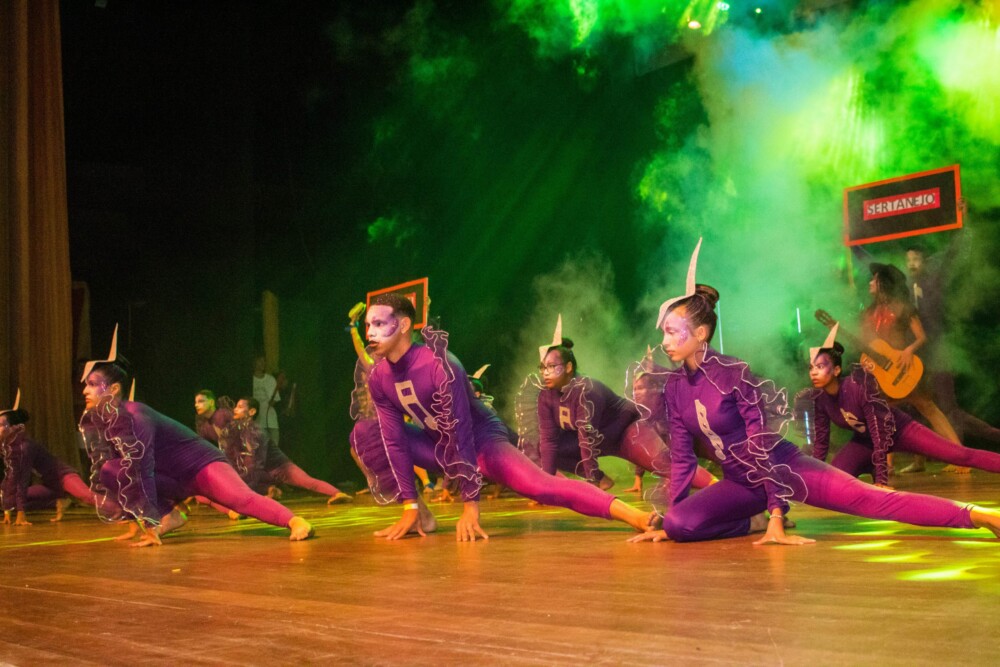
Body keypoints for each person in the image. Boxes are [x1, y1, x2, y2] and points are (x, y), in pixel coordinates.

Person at [630, 242, 1000, 545]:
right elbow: (683, 459)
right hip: (739, 485)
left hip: (785, 469)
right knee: (678, 524)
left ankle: (978, 515)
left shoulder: (733, 374)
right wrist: (671, 515)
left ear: (700, 334)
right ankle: (752, 521)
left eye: (673, 331)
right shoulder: (675, 387)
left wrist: (778, 515)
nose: (665, 341)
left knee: (870, 500)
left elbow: (761, 447)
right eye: (664, 332)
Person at [353, 293, 655, 541]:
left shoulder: (439, 365)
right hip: (439, 448)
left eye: (379, 323)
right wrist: (409, 504)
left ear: (404, 325)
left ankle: (636, 516)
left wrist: (471, 505)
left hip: (482, 442)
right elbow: (394, 440)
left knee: (541, 486)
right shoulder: (379, 377)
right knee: (366, 433)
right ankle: (420, 515)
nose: (370, 333)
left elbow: (461, 430)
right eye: (368, 325)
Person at [79, 332, 313, 546]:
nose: (84, 391)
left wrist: (150, 526)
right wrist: (134, 522)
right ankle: (170, 515)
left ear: (114, 389)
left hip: (202, 467)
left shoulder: (136, 416)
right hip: (173, 479)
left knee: (241, 500)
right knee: (109, 470)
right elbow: (126, 476)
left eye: (92, 385)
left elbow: (143, 470)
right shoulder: (110, 425)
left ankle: (294, 520)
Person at [801, 335, 1000, 484]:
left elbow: (880, 434)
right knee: (833, 478)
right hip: (865, 441)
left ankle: (875, 467)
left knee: (961, 456)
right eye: (811, 368)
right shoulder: (820, 400)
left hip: (900, 430)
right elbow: (821, 443)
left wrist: (881, 480)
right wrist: (814, 476)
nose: (814, 373)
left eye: (820, 367)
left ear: (836, 370)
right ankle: (869, 464)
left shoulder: (857, 387)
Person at [535, 338, 715, 493]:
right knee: (541, 449)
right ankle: (602, 479)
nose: (545, 373)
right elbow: (549, 441)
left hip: (625, 433)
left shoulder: (586, 391)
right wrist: (545, 487)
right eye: (542, 368)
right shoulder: (545, 396)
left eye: (551, 367)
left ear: (568, 367)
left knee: (667, 466)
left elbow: (586, 438)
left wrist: (592, 483)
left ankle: (715, 485)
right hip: (601, 440)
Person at [860, 262, 966, 473]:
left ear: (883, 283)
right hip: (884, 374)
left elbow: (921, 337)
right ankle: (888, 464)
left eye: (874, 279)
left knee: (928, 408)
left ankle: (961, 457)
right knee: (883, 412)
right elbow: (868, 342)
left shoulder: (903, 307)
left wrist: (909, 350)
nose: (870, 283)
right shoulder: (870, 312)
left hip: (905, 368)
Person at [229, 397, 352, 504]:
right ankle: (271, 490)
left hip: (281, 468)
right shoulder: (240, 431)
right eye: (236, 406)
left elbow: (256, 463)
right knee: (242, 476)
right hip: (265, 471)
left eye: (240, 407)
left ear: (252, 411)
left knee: (307, 482)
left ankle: (338, 493)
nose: (235, 409)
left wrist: (245, 491)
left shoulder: (257, 432)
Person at [1, 391, 96, 525]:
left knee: (88, 497)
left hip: (63, 477)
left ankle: (122, 510)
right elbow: (10, 479)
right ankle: (62, 498)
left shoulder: (25, 447)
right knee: (10, 497)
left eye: (2, 425)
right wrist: (7, 511)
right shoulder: (7, 447)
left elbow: (22, 480)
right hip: (50, 485)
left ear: (14, 428)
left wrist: (21, 513)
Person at [253, 356, 280, 447]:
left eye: (263, 361)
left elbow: (275, 400)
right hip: (257, 422)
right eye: (259, 361)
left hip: (271, 421)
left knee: (274, 448)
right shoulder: (250, 380)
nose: (262, 363)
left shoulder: (270, 379)